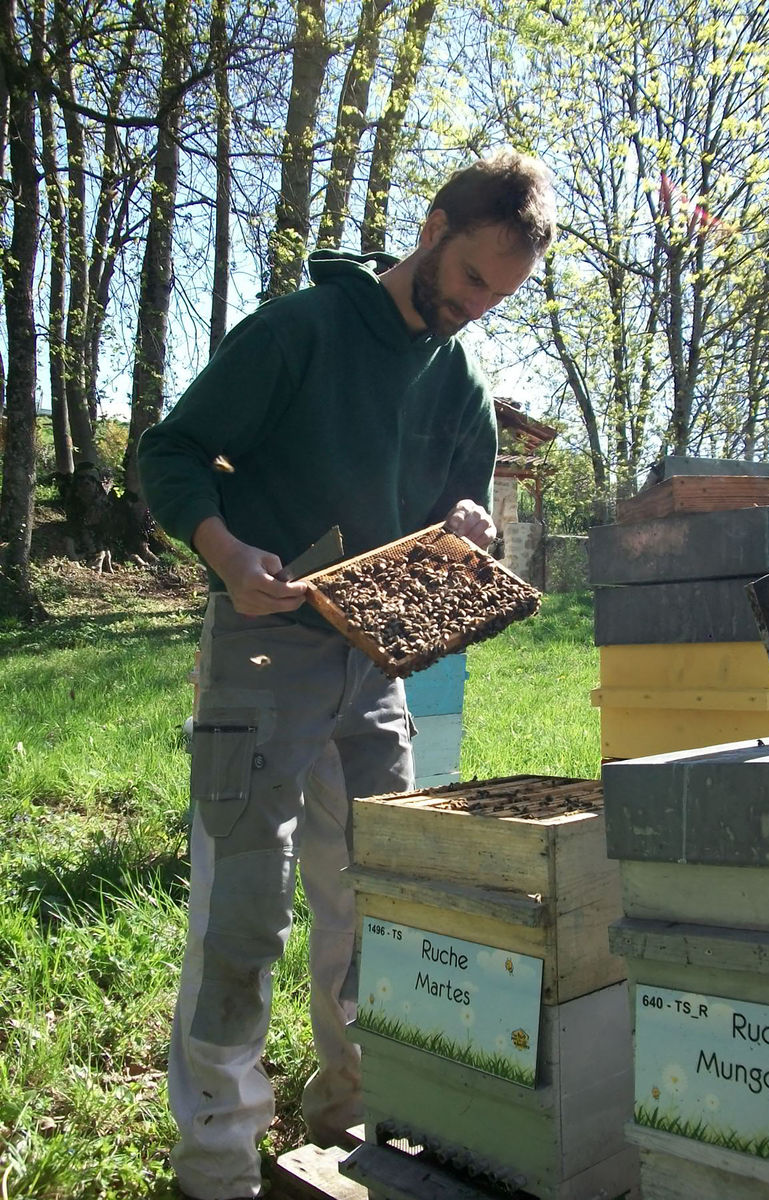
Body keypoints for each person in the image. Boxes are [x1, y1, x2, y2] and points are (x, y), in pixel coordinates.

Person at [138, 148, 556, 1200]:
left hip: (373, 664)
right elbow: (173, 452)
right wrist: (229, 558)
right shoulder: (298, 331)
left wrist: (466, 525)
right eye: (469, 280)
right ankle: (216, 1169)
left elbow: (458, 514)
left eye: (498, 296)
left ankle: (352, 1116)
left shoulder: (459, 378)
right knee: (243, 910)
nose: (473, 308)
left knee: (374, 900)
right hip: (264, 647)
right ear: (431, 229)